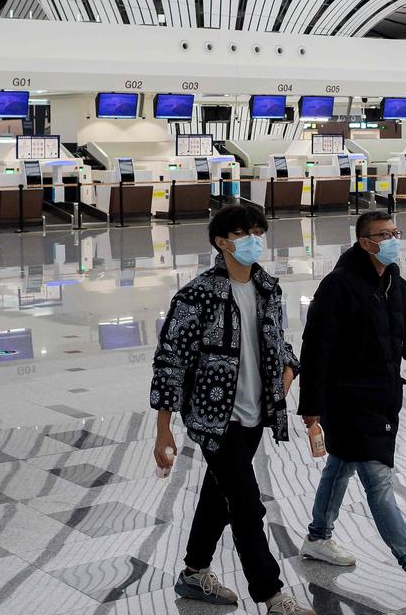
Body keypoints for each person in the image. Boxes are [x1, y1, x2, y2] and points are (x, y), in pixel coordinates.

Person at [150, 205, 314, 615]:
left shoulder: (268, 288)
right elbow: (170, 361)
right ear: (222, 242)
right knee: (245, 504)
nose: (254, 239)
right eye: (243, 232)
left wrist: (289, 369)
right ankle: (272, 595)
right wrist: (163, 429)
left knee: (219, 496)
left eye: (259, 230)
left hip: (255, 415)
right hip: (214, 419)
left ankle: (193, 571)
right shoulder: (196, 295)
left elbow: (280, 343)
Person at [297, 211, 406, 592]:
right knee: (378, 477)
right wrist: (312, 407)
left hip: (384, 394)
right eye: (383, 235)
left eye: (395, 233)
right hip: (349, 398)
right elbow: (316, 348)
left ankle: (318, 537)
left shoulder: (394, 281)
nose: (392, 240)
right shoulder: (338, 285)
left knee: (340, 465)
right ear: (364, 241)